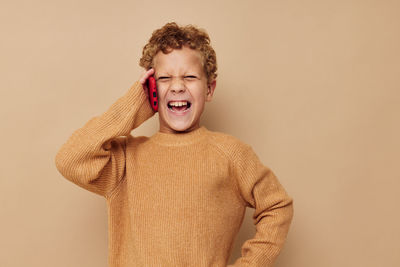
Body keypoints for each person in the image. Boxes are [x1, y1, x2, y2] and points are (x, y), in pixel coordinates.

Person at [55, 22, 294, 267]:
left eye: (190, 77)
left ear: (209, 89)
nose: (177, 86)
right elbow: (71, 159)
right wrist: (134, 104)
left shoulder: (231, 154)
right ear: (150, 89)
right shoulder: (127, 160)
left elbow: (277, 206)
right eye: (164, 78)